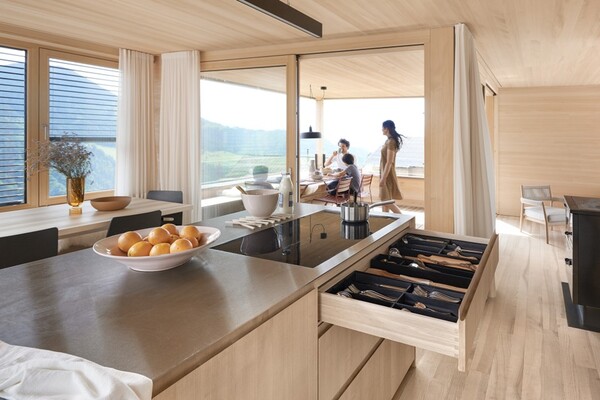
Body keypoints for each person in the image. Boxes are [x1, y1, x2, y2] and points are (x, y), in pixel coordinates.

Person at [379, 120, 404, 213]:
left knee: (386, 200)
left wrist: (383, 178)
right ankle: (385, 220)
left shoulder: (391, 142)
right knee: (384, 201)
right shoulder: (388, 141)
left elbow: (389, 162)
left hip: (387, 174)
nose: (381, 130)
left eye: (383, 128)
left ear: (387, 129)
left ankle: (404, 219)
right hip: (384, 172)